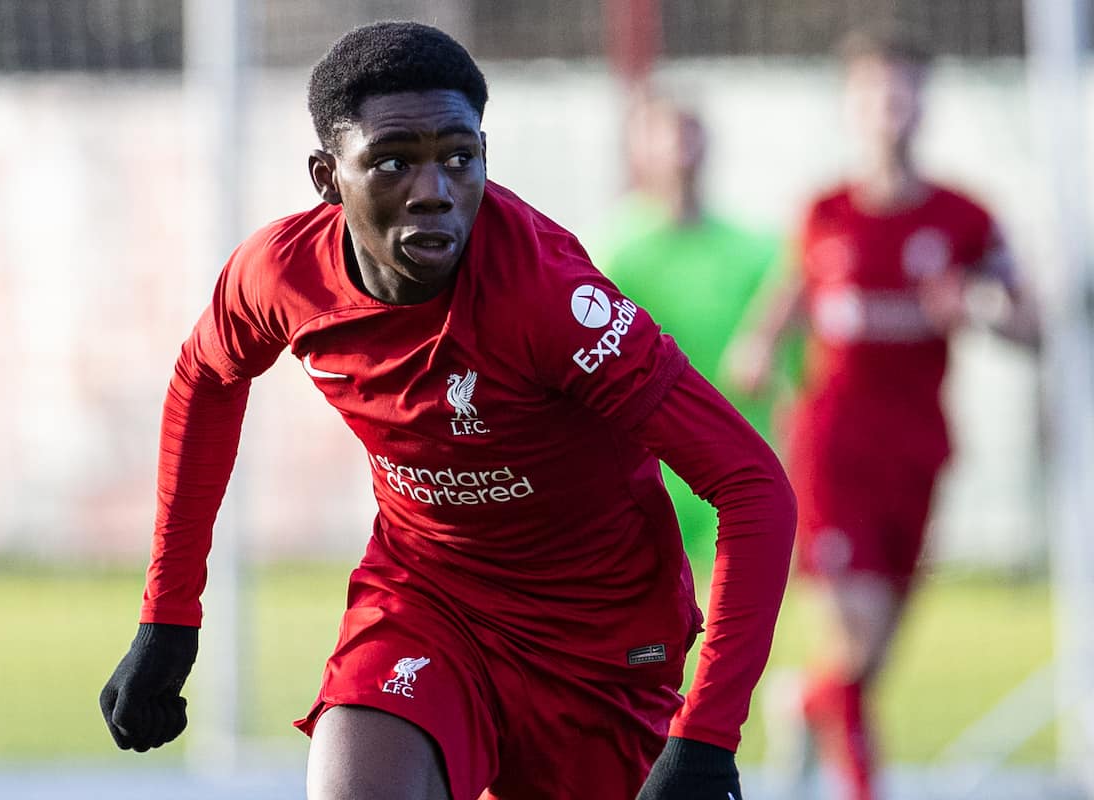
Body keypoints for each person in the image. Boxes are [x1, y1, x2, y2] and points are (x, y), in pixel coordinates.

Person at [99, 21, 796, 800]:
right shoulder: (282, 275)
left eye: (458, 159)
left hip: (597, 643)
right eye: (394, 161)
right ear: (328, 177)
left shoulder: (550, 299)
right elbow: (205, 378)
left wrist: (706, 739)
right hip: (428, 600)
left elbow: (753, 486)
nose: (433, 192)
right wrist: (169, 614)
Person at [727, 27, 1038, 800]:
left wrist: (979, 308)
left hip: (920, 450)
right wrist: (757, 357)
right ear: (854, 107)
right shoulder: (825, 213)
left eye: (904, 92)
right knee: (856, 648)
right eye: (875, 94)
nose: (890, 109)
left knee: (872, 660)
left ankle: (803, 702)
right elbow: (772, 323)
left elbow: (1031, 327)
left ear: (924, 103)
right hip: (836, 450)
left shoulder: (966, 217)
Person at [599, 93, 799, 571]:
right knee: (658, 626)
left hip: (739, 457)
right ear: (638, 150)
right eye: (664, 134)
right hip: (650, 465)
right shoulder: (612, 252)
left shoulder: (760, 251)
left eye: (688, 132)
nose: (678, 147)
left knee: (737, 622)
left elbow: (796, 360)